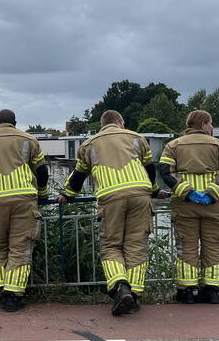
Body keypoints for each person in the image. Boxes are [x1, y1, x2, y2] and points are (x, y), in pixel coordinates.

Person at [57, 110, 166, 316]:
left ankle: (120, 287)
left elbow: (78, 176)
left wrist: (67, 195)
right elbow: (150, 169)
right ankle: (133, 294)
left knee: (111, 245)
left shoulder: (88, 145)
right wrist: (154, 190)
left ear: (103, 124)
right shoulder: (137, 138)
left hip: (110, 196)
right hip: (140, 194)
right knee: (136, 245)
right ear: (119, 122)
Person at [157, 110, 219, 304]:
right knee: (214, 247)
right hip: (214, 206)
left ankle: (187, 292)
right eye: (210, 124)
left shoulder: (173, 146)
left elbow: (166, 172)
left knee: (186, 248)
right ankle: (211, 291)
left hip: (185, 206)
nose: (212, 127)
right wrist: (212, 194)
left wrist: (188, 192)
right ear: (202, 124)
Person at [0, 109, 49, 312]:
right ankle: (13, 294)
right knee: (20, 248)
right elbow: (42, 170)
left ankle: (0, 287)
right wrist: (42, 193)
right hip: (24, 200)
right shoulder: (29, 140)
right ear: (15, 123)